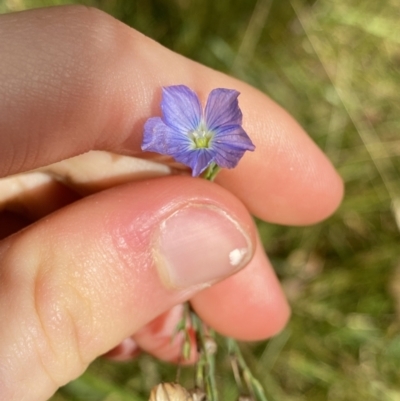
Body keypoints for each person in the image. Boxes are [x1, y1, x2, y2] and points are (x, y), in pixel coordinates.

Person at [0, 5, 343, 401]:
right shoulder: (188, 143)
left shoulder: (214, 143)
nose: (200, 140)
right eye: (198, 138)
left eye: (205, 138)